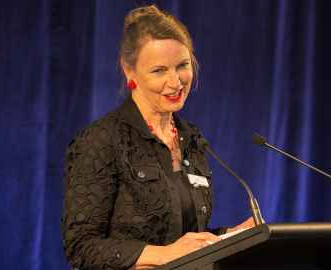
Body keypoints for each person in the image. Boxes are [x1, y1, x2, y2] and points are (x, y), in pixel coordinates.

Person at [61, 5, 254, 270]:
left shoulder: (191, 139)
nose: (175, 82)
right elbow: (82, 248)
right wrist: (163, 255)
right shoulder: (101, 140)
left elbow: (184, 239)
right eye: (159, 70)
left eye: (182, 66)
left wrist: (233, 236)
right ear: (129, 71)